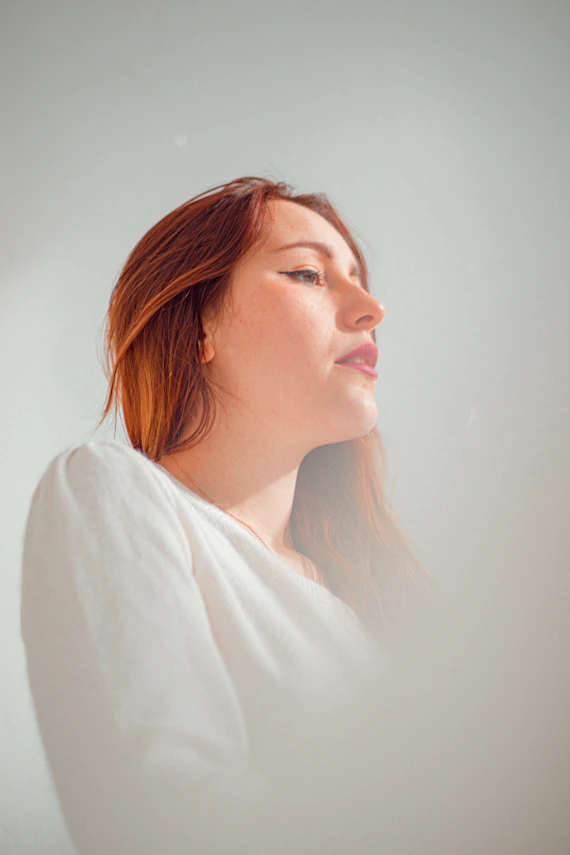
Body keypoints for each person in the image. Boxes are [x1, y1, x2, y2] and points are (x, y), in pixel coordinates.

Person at [20, 176, 434, 855]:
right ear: (200, 327)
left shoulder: (362, 599)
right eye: (308, 273)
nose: (372, 309)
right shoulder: (112, 489)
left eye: (359, 280)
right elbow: (162, 809)